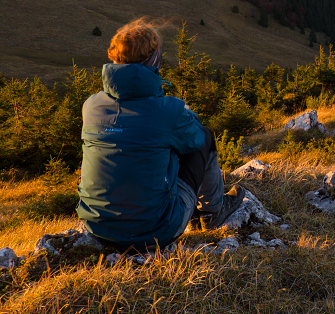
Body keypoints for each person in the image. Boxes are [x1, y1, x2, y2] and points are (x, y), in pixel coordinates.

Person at [77, 19, 245, 252]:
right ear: (154, 60)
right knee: (205, 138)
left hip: (98, 226)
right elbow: (194, 140)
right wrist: (185, 114)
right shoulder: (168, 111)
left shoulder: (91, 105)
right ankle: (211, 213)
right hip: (155, 230)